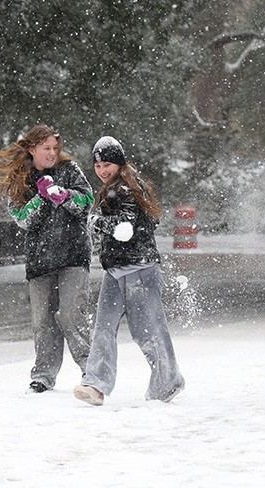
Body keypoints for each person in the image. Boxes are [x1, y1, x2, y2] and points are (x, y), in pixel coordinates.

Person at [73, 136, 184, 406]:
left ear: (119, 163)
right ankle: (95, 385)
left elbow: (125, 228)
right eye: (98, 166)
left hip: (140, 270)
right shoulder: (116, 188)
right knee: (103, 328)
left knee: (148, 331)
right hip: (116, 271)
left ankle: (168, 381)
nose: (102, 171)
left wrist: (94, 220)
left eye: (107, 164)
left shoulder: (125, 189)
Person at [0, 124, 94, 394]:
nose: (52, 153)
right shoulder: (21, 180)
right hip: (40, 260)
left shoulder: (70, 171)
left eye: (55, 148)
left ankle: (92, 371)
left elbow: (87, 201)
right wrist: (40, 197)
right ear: (32, 149)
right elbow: (22, 219)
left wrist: (63, 195)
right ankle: (43, 376)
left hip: (73, 254)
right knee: (42, 321)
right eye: (46, 148)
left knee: (71, 314)